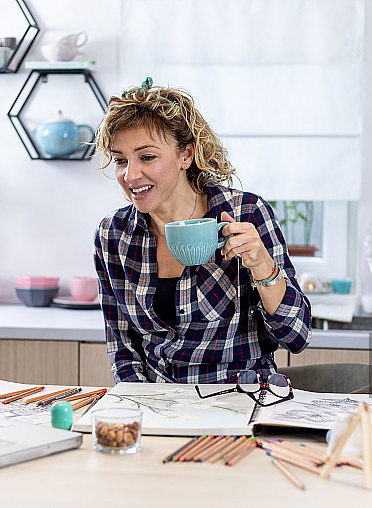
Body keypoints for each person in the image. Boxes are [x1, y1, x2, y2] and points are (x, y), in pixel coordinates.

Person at [94, 77, 311, 384]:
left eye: (147, 157)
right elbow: (123, 349)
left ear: (186, 155)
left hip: (241, 404)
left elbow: (296, 337)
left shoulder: (245, 214)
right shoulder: (113, 235)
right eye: (120, 160)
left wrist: (262, 264)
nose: (130, 174)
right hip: (159, 408)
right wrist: (143, 409)